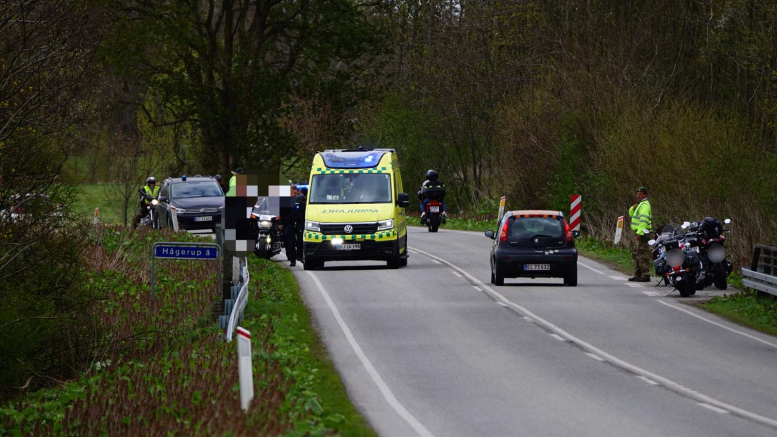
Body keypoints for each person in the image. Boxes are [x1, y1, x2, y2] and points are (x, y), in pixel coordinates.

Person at [628, 186, 653, 282]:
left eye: (640, 194)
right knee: (636, 254)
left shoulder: (645, 205)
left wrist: (640, 233)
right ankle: (637, 274)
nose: (638, 196)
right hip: (638, 232)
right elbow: (631, 214)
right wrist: (632, 208)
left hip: (642, 234)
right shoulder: (640, 204)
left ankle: (645, 275)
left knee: (642, 255)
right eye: (637, 194)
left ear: (645, 195)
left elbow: (644, 220)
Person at [294, 186, 308, 262]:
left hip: (301, 222)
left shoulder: (298, 199)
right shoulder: (309, 200)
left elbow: (296, 211)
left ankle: (300, 255)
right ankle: (301, 255)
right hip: (306, 222)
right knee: (301, 239)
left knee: (300, 239)